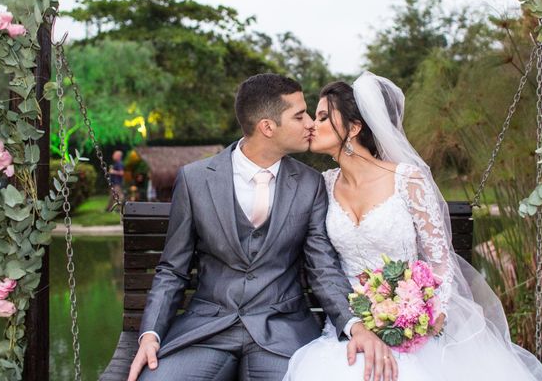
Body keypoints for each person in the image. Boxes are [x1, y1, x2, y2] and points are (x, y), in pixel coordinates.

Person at [128, 74, 398, 381]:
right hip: (206, 330)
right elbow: (172, 270)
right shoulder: (195, 179)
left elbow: (322, 267)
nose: (310, 123)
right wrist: (149, 334)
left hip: (281, 331)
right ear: (267, 127)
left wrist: (354, 325)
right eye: (300, 115)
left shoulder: (310, 184)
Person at [283, 72, 542, 380]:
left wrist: (424, 314)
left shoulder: (407, 180)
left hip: (411, 327)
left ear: (354, 127)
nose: (311, 126)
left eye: (322, 118)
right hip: (350, 327)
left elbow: (440, 263)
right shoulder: (324, 186)